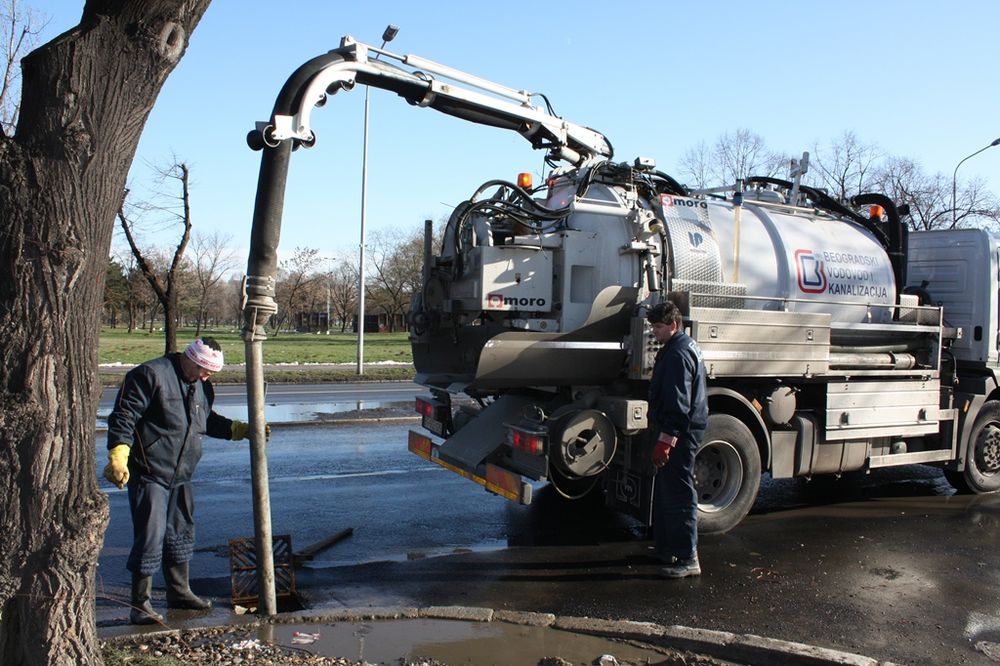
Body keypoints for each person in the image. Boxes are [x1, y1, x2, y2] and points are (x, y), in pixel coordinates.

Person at [103, 337, 266, 624]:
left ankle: (179, 592)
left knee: (180, 533)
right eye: (204, 370)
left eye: (211, 373)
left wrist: (239, 429)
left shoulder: (202, 385)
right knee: (150, 536)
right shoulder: (150, 375)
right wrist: (118, 453)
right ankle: (140, 606)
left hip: (182, 474)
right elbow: (124, 417)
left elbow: (206, 421)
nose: (206, 376)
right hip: (150, 471)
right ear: (190, 359)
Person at [646, 301, 708, 578]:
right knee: (670, 490)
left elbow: (678, 403)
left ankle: (687, 557)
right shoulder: (682, 347)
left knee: (679, 492)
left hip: (680, 433)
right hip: (684, 430)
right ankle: (669, 548)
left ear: (673, 325)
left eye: (658, 327)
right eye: (653, 327)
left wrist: (666, 439)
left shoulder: (676, 355)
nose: (654, 333)